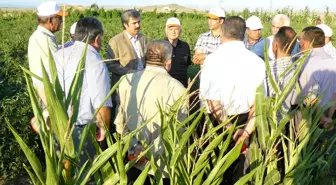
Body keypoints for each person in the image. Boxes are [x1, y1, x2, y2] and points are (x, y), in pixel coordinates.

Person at [200, 16, 265, 183]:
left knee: (217, 173)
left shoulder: (212, 60)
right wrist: (245, 134)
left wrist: (229, 129)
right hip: (246, 124)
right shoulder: (257, 62)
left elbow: (212, 103)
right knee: (241, 174)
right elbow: (258, 104)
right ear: (244, 34)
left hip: (218, 124)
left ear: (222, 31)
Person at [115, 40, 188, 184]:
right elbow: (180, 130)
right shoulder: (177, 88)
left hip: (133, 157)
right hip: (162, 165)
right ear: (168, 62)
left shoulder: (126, 81)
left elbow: (120, 121)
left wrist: (134, 148)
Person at [53, 17, 112, 166]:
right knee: (86, 175)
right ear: (98, 39)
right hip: (82, 130)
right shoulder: (94, 60)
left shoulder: (59, 53)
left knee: (63, 173)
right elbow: (102, 102)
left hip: (57, 126)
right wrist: (103, 128)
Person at [106, 9, 148, 132]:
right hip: (125, 87)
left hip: (142, 85)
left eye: (139, 22)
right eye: (134, 23)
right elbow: (111, 65)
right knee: (123, 120)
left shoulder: (143, 38)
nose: (138, 25)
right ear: (125, 25)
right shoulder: (116, 41)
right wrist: (131, 72)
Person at [28, 1, 67, 132]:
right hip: (48, 94)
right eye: (59, 18)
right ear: (51, 20)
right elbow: (50, 71)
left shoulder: (40, 36)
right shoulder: (44, 39)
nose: (61, 21)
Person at [297, 26, 336, 130]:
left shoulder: (309, 61)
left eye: (300, 39)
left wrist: (322, 119)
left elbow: (309, 96)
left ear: (304, 42)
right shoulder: (332, 60)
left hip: (312, 116)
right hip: (328, 113)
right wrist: (329, 118)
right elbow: (334, 93)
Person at [265, 26, 298, 121]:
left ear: (275, 44)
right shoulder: (298, 67)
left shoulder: (267, 68)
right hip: (288, 121)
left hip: (269, 123)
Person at [164, 17, 192, 88]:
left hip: (182, 86)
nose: (173, 32)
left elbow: (187, 64)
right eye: (170, 29)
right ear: (166, 31)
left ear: (180, 31)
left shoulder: (185, 46)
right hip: (166, 86)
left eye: (176, 29)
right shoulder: (161, 46)